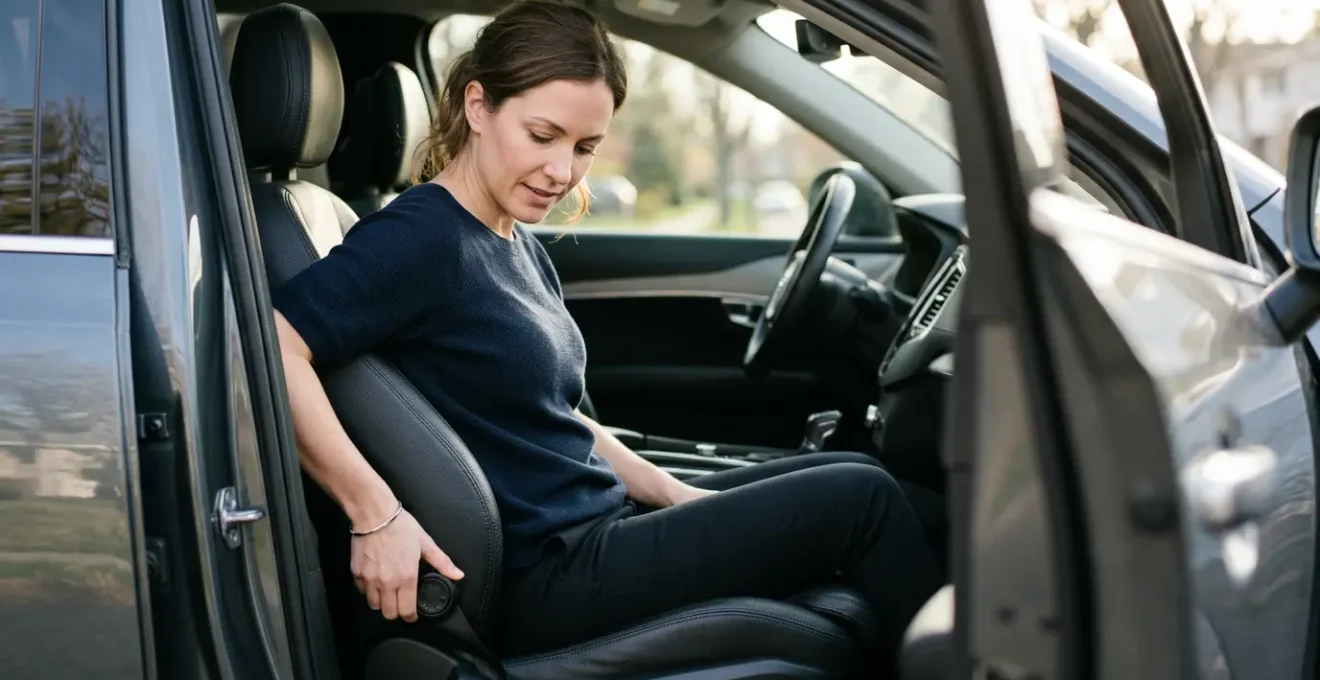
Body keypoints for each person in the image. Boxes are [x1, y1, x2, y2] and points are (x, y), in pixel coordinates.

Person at [272, 0, 944, 672]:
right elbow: (275, 344)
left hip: (597, 531)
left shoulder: (508, 239)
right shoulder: (420, 238)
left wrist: (674, 494)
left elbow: (553, 417)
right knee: (863, 501)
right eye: (543, 135)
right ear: (478, 107)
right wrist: (375, 513)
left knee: (852, 470)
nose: (562, 172)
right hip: (549, 573)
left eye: (584, 147)